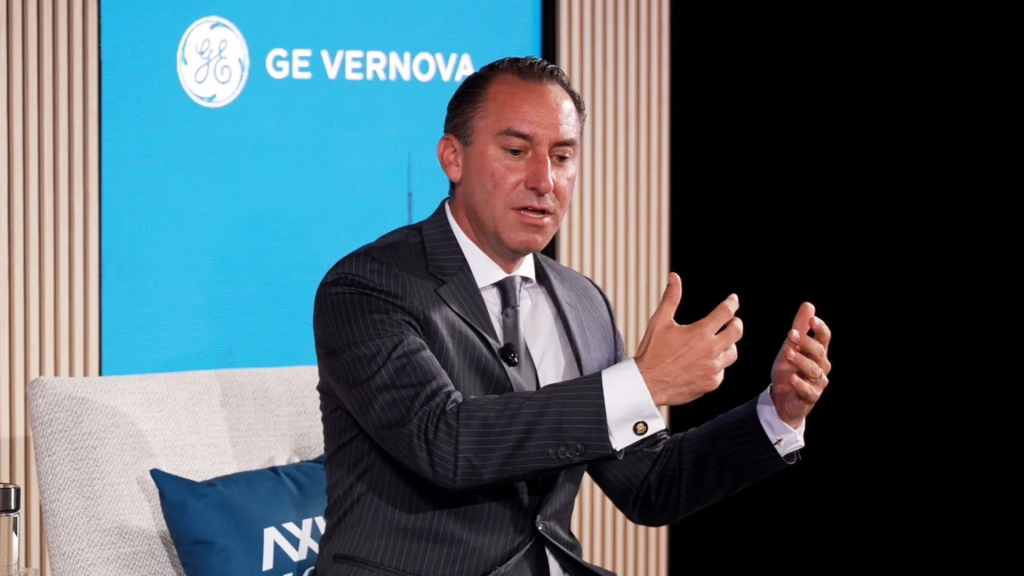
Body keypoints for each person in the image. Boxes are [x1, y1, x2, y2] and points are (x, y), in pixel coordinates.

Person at [312, 56, 832, 576]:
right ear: (454, 157)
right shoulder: (366, 287)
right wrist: (642, 383)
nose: (544, 180)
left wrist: (777, 413)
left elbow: (651, 485)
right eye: (516, 151)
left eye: (562, 157)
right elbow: (445, 441)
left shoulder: (583, 302)